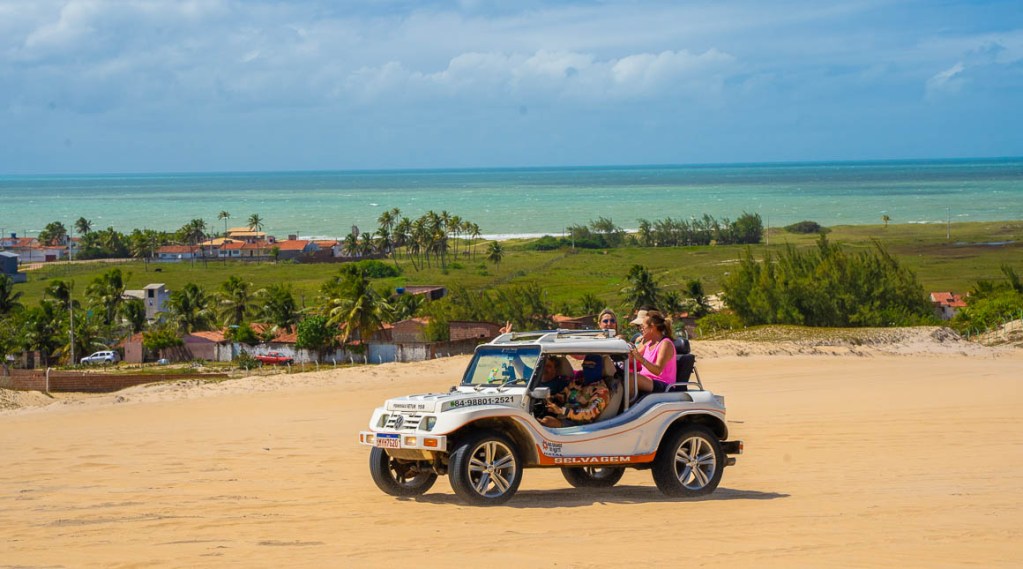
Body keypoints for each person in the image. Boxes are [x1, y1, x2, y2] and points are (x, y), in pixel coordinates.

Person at [540, 365, 610, 428]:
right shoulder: (579, 382)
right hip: (564, 415)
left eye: (590, 366)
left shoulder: (602, 391)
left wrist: (562, 411)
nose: (586, 369)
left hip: (580, 424)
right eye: (584, 366)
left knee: (547, 422)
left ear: (599, 368)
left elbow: (589, 413)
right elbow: (563, 395)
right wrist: (551, 399)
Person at [628, 310, 677, 393]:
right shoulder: (648, 344)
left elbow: (658, 370)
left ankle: (629, 405)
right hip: (649, 381)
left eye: (643, 326)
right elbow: (633, 359)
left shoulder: (665, 344)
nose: (641, 329)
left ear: (652, 327)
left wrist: (641, 359)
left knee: (631, 378)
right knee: (622, 377)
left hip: (663, 384)